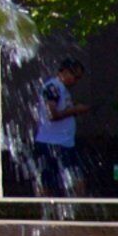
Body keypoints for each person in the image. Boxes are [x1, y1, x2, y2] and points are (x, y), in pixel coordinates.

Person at [29, 56, 83, 195]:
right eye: (75, 77)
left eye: (79, 79)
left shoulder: (61, 89)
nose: (76, 82)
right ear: (64, 72)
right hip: (51, 143)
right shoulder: (53, 87)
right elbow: (51, 114)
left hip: (63, 143)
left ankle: (68, 212)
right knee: (49, 182)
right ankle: (47, 212)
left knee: (71, 181)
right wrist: (75, 110)